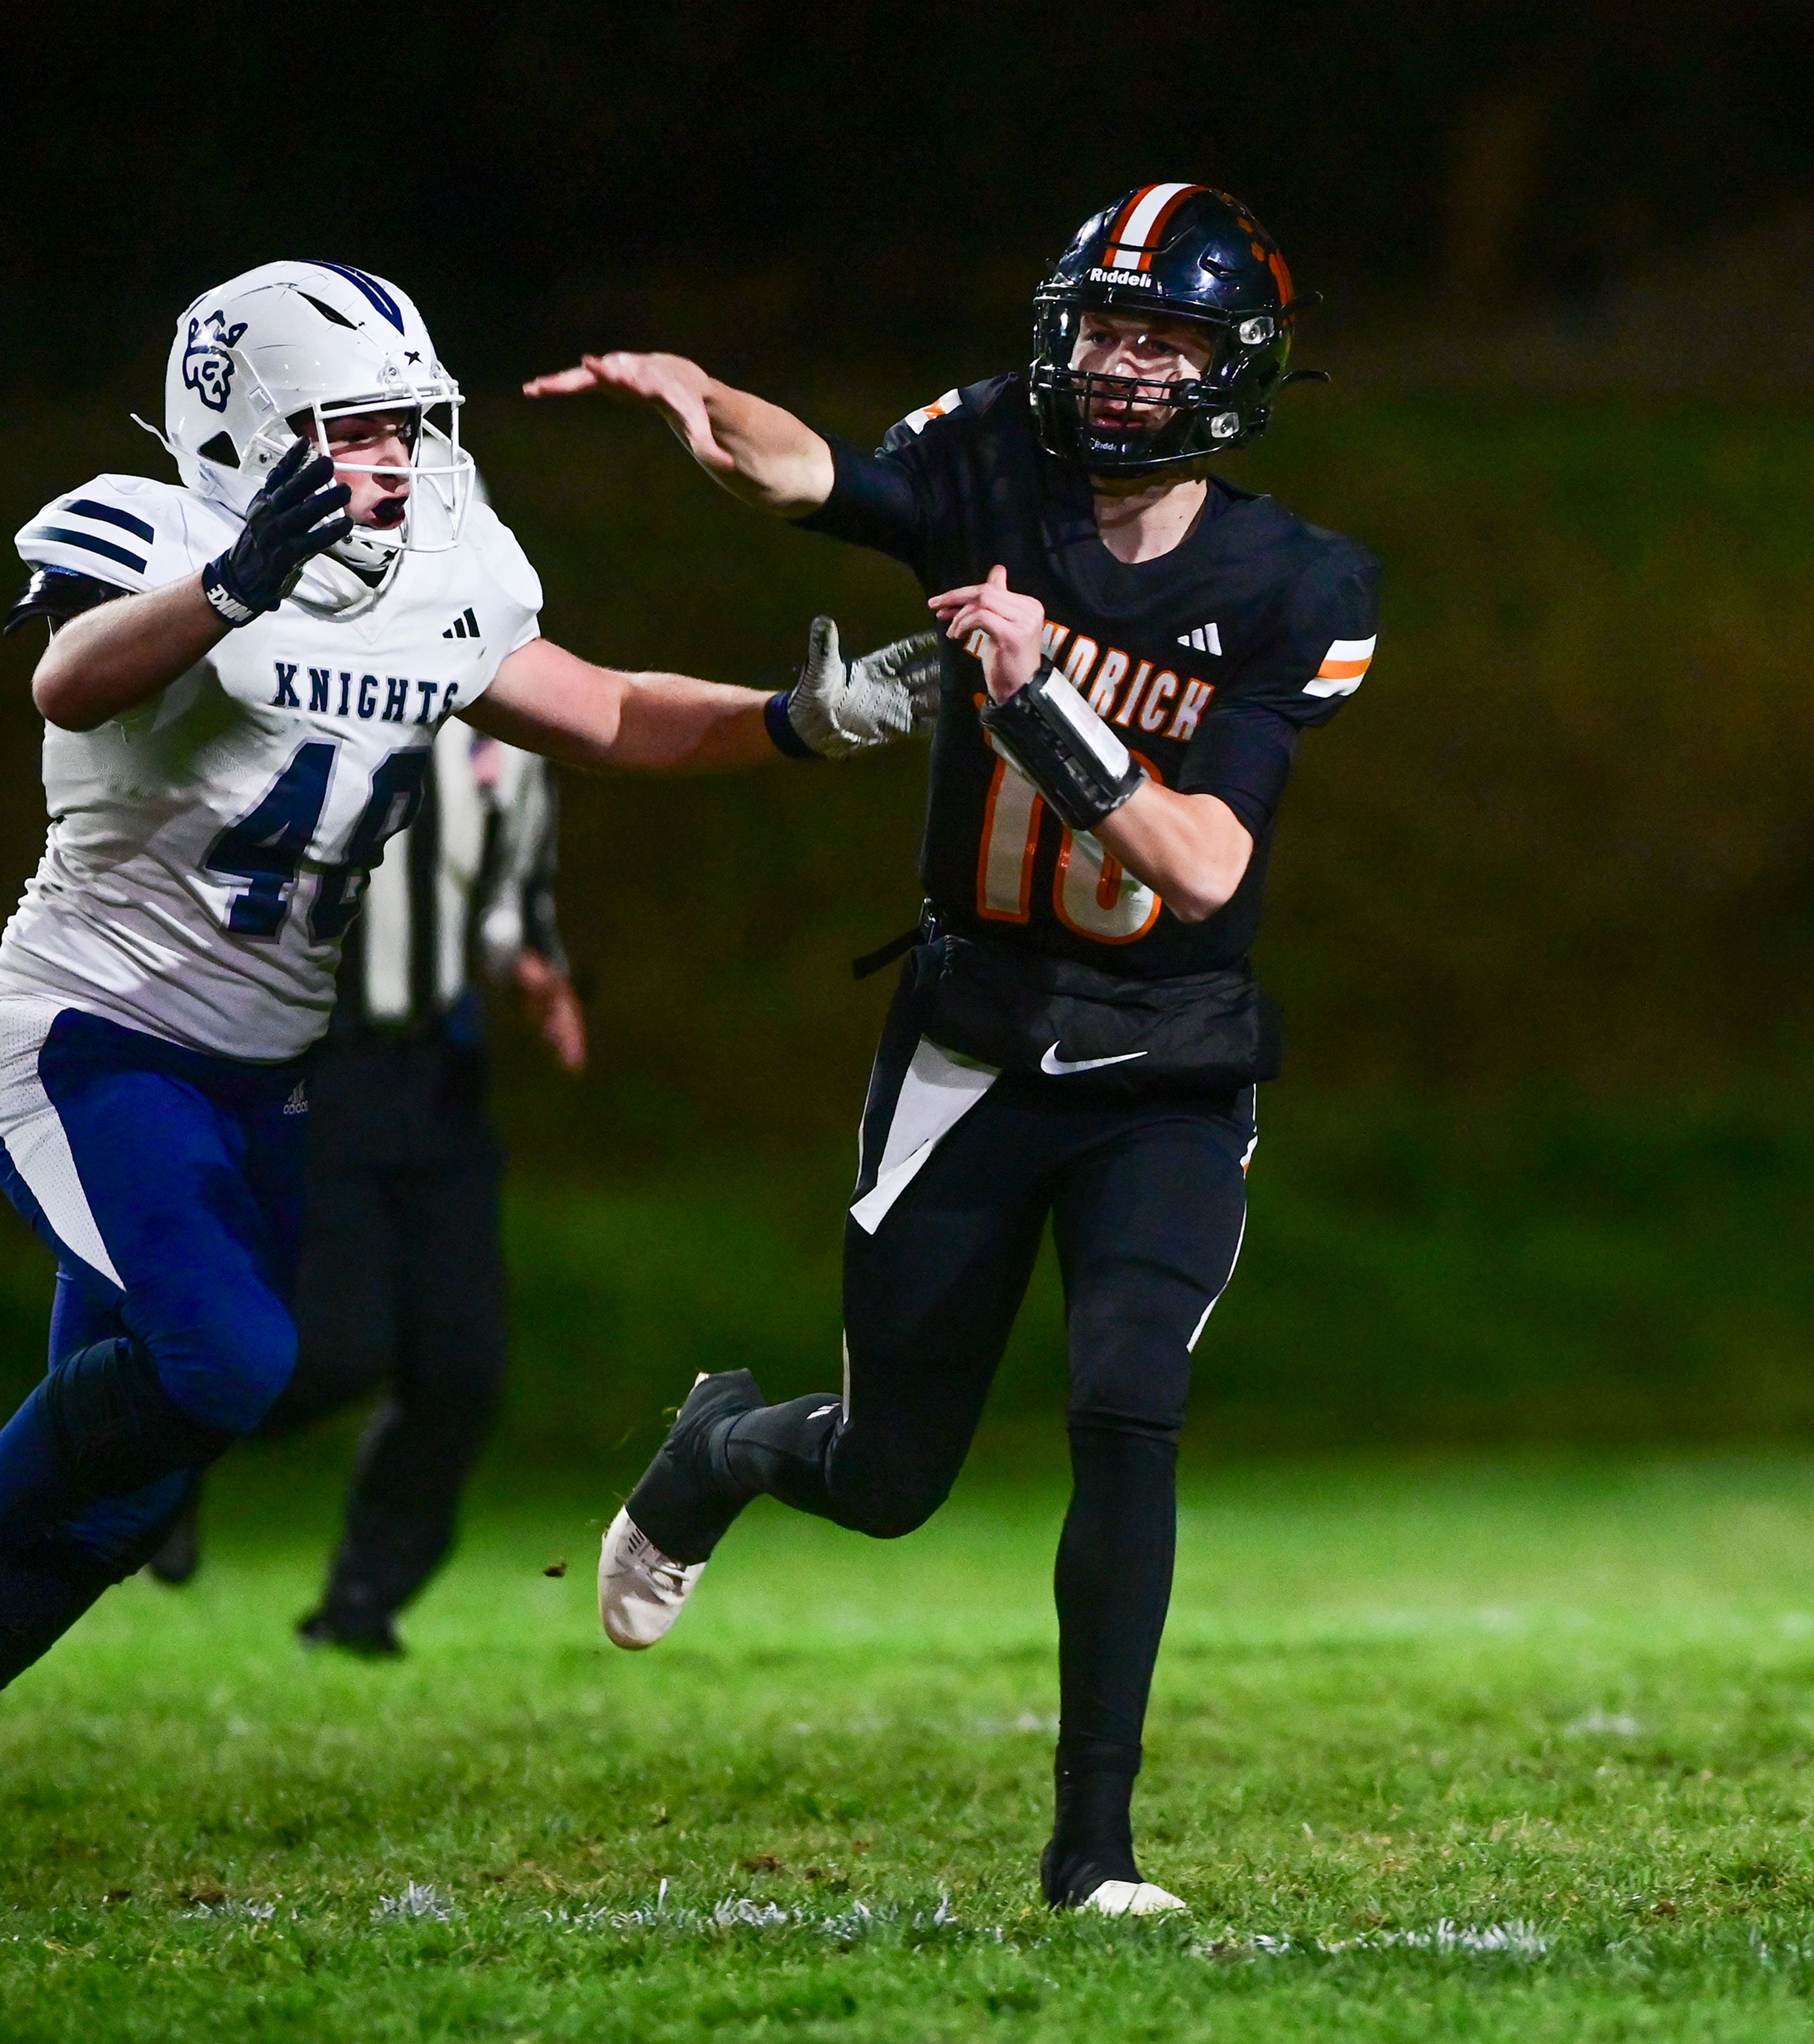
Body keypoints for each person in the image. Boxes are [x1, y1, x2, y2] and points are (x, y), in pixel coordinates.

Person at [527, 184, 1379, 1914]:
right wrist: (714, 406)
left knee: (1129, 1401)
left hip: (1169, 1048)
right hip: (978, 1031)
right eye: (1104, 324)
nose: (1122, 364)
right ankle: (727, 1448)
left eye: (1165, 336)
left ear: (1236, 367)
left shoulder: (1304, 583)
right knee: (891, 1475)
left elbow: (1207, 865)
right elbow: (807, 474)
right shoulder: (993, 457)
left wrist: (1047, 695)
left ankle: (1096, 1853)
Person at [0, 259, 932, 1691]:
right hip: (97, 1035)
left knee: (127, 1485)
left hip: (267, 1074)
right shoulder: (159, 538)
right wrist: (227, 589)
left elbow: (613, 712)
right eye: (354, 426)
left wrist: (798, 720)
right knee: (231, 1364)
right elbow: (70, 680)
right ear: (243, 425)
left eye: (409, 422)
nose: (399, 458)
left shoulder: (449, 568)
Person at [147, 715, 589, 1659]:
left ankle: (361, 1601)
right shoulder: (312, 691)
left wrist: (534, 967)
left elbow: (510, 896)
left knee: (462, 1367)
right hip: (315, 1062)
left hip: (438, 1075)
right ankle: (160, 1446)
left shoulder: (516, 724)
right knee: (339, 1343)